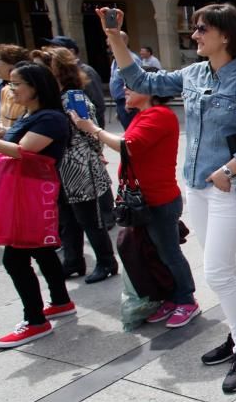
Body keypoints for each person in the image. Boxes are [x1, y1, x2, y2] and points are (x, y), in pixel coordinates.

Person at [103, 3, 236, 394]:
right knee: (224, 267)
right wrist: (116, 38)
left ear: (225, 35)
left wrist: (229, 169)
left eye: (202, 29)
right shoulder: (193, 74)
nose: (194, 35)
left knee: (216, 270)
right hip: (196, 186)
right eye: (195, 28)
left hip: (227, 188)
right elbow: (141, 81)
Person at [70, 85, 198, 328]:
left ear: (149, 90)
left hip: (159, 199)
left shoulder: (160, 115)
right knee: (157, 254)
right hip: (144, 201)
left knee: (169, 253)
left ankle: (186, 300)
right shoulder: (142, 115)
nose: (123, 91)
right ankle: (171, 298)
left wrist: (93, 129)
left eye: (129, 87)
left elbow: (129, 146)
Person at [0, 63, 76, 348]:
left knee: (14, 259)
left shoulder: (51, 118)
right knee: (42, 250)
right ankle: (60, 301)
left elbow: (23, 151)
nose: (11, 88)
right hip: (24, 190)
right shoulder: (35, 115)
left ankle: (35, 321)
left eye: (17, 83)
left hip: (29, 193)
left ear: (35, 87)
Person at [33, 47, 117, 284]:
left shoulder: (73, 98)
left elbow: (91, 133)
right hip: (60, 169)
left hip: (79, 169)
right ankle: (73, 261)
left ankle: (106, 261)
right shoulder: (51, 100)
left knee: (90, 219)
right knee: (67, 219)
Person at [41, 35, 106, 128]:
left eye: (56, 48)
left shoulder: (86, 71)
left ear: (71, 51)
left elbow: (98, 104)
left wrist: (93, 129)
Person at [109, 31, 141, 128]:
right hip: (121, 102)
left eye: (111, 42)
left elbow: (135, 82)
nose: (109, 46)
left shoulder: (131, 59)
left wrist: (130, 103)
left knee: (133, 132)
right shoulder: (115, 59)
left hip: (129, 103)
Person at [0, 44, 30, 134]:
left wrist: (7, 131)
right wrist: (0, 128)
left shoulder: (29, 90)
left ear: (11, 62)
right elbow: (2, 120)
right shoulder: (5, 90)